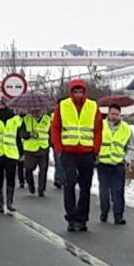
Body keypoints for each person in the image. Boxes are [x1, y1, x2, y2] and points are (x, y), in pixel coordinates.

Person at [51, 79, 103, 232]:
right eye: (75, 91)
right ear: (71, 92)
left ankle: (82, 218)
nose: (78, 95)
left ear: (85, 92)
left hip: (87, 152)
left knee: (85, 187)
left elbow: (98, 129)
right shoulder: (63, 106)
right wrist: (59, 148)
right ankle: (71, 217)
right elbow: (55, 128)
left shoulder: (93, 106)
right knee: (70, 182)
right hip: (68, 152)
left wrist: (96, 149)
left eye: (81, 92)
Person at [97, 103, 133, 225]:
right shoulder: (100, 125)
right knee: (104, 191)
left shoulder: (126, 128)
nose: (115, 116)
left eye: (117, 114)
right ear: (108, 113)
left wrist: (126, 159)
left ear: (120, 115)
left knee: (118, 191)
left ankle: (118, 216)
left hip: (118, 165)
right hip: (103, 163)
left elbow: (131, 147)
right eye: (112, 114)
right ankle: (104, 211)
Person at [19, 106, 53, 196]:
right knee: (29, 168)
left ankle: (41, 189)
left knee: (43, 169)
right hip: (30, 149)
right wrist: (29, 134)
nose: (37, 111)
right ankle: (30, 184)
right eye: (34, 109)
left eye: (38, 109)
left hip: (43, 148)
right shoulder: (26, 119)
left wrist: (50, 144)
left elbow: (51, 133)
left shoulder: (47, 119)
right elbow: (21, 133)